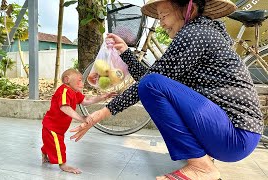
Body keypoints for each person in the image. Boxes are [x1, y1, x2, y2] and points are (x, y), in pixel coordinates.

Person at [70, 0, 264, 179]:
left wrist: (100, 114)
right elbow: (154, 80)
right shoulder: (203, 31)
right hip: (233, 133)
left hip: (235, 135)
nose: (162, 23)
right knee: (152, 84)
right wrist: (125, 52)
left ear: (189, 9)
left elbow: (151, 83)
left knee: (151, 84)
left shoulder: (195, 34)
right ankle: (202, 160)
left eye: (164, 16)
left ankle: (201, 167)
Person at [41, 68, 116, 174]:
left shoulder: (74, 92)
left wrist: (102, 97)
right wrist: (82, 118)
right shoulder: (64, 91)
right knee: (58, 145)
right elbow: (64, 107)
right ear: (67, 80)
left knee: (51, 143)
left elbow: (86, 101)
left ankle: (44, 152)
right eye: (80, 80)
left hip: (60, 127)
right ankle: (63, 165)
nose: (82, 83)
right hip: (52, 126)